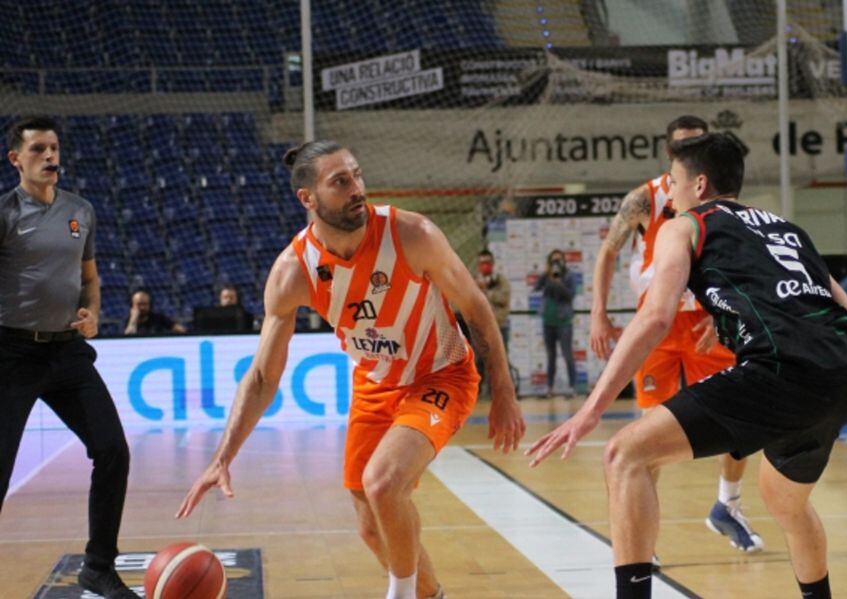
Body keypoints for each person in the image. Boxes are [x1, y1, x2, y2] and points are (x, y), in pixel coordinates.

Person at [527, 133, 847, 599]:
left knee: (623, 455)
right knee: (786, 501)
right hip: (838, 383)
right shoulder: (789, 232)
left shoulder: (683, 225)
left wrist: (590, 410)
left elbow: (655, 316)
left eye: (676, 182)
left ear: (699, 185)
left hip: (776, 372)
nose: (672, 194)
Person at [176, 140, 526, 599]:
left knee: (383, 482)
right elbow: (262, 376)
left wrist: (504, 390)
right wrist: (222, 457)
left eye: (357, 175)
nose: (357, 188)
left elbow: (477, 309)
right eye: (340, 181)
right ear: (308, 198)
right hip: (375, 383)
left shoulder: (413, 235)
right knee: (372, 527)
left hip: (440, 374)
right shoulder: (293, 272)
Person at [590, 115, 762, 553]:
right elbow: (607, 254)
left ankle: (728, 505)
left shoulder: (720, 201)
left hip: (709, 321)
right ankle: (641, 539)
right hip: (659, 323)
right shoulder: (644, 200)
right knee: (648, 432)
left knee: (743, 416)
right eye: (686, 145)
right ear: (670, 153)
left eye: (701, 143)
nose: (694, 149)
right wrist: (598, 312)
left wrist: (722, 310)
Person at [0, 116, 137, 598]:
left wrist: (94, 313)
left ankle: (98, 567)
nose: (51, 156)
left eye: (54, 147)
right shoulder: (4, 213)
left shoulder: (81, 210)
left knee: (113, 450)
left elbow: (91, 279)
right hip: (11, 354)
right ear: (16, 159)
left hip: (67, 353)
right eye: (38, 149)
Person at [534, 248, 577, 396]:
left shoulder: (569, 276)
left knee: (567, 354)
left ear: (564, 261)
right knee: (550, 356)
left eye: (559, 260)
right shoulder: (547, 276)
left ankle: (572, 387)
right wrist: (546, 273)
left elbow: (570, 295)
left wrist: (558, 283)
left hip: (564, 322)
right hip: (548, 322)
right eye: (553, 261)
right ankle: (550, 388)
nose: (556, 264)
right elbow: (536, 287)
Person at [474, 248, 510, 382]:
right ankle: (478, 393)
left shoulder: (501, 281)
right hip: (480, 329)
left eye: (487, 262)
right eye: (481, 263)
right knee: (479, 360)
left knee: (500, 361)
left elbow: (504, 298)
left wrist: (487, 292)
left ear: (493, 263)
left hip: (499, 326)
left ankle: (497, 392)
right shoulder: (473, 281)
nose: (484, 266)